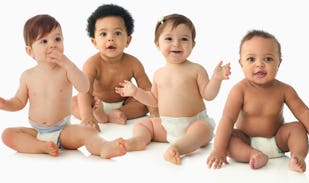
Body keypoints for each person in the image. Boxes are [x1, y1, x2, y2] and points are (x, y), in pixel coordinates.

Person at [1, 14, 126, 158]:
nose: (52, 44)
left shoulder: (66, 70)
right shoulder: (27, 76)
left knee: (88, 132)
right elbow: (18, 102)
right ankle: (41, 147)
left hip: (63, 131)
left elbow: (84, 87)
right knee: (7, 135)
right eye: (44, 41)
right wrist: (5, 104)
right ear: (30, 51)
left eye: (57, 39)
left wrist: (67, 63)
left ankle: (104, 147)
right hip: (36, 133)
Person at [114, 14, 231, 165]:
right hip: (166, 126)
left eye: (184, 39)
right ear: (157, 44)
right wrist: (136, 92)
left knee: (204, 129)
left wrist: (216, 79)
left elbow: (208, 95)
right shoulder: (158, 74)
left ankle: (177, 148)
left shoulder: (196, 69)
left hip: (193, 124)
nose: (176, 44)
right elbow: (154, 100)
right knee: (143, 124)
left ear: (193, 44)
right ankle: (138, 141)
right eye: (169, 39)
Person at [206, 30, 309, 173]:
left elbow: (302, 111)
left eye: (268, 59)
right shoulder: (239, 90)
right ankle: (253, 155)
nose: (259, 64)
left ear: (279, 62)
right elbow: (228, 119)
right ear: (241, 63)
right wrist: (218, 149)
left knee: (297, 128)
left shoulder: (285, 90)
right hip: (246, 140)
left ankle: (297, 157)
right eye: (251, 59)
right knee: (230, 138)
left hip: (277, 140)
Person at [71, 4, 157, 131]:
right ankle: (96, 115)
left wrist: (154, 112)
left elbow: (146, 88)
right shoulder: (92, 63)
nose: (110, 38)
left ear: (128, 40)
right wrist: (86, 116)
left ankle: (117, 114)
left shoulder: (133, 62)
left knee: (143, 103)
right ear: (94, 42)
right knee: (73, 103)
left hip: (124, 103)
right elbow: (85, 91)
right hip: (96, 103)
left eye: (117, 33)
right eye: (103, 34)